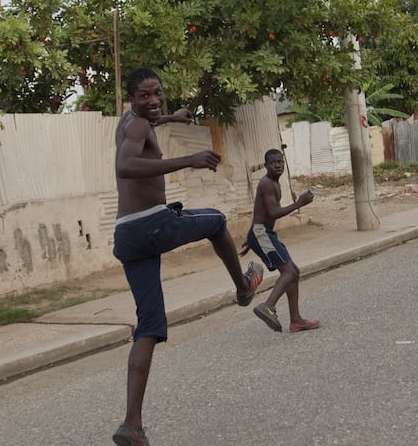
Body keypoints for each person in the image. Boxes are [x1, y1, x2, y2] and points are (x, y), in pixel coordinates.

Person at [111, 68, 264, 446]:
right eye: (145, 96)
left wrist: (170, 118)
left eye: (158, 94)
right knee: (216, 221)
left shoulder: (132, 121)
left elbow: (147, 124)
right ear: (131, 98)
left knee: (148, 326)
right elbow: (125, 166)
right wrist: (187, 160)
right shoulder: (136, 129)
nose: (154, 101)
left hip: (127, 235)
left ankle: (132, 424)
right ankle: (243, 287)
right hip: (151, 225)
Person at [243, 148, 321, 333]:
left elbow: (260, 212)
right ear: (266, 165)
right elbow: (272, 213)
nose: (278, 165)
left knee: (293, 271)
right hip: (262, 233)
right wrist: (298, 204)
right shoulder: (267, 184)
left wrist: (251, 237)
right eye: (273, 162)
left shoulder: (273, 183)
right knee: (289, 272)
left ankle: (296, 321)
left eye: (280, 162)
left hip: (263, 233)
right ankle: (268, 306)